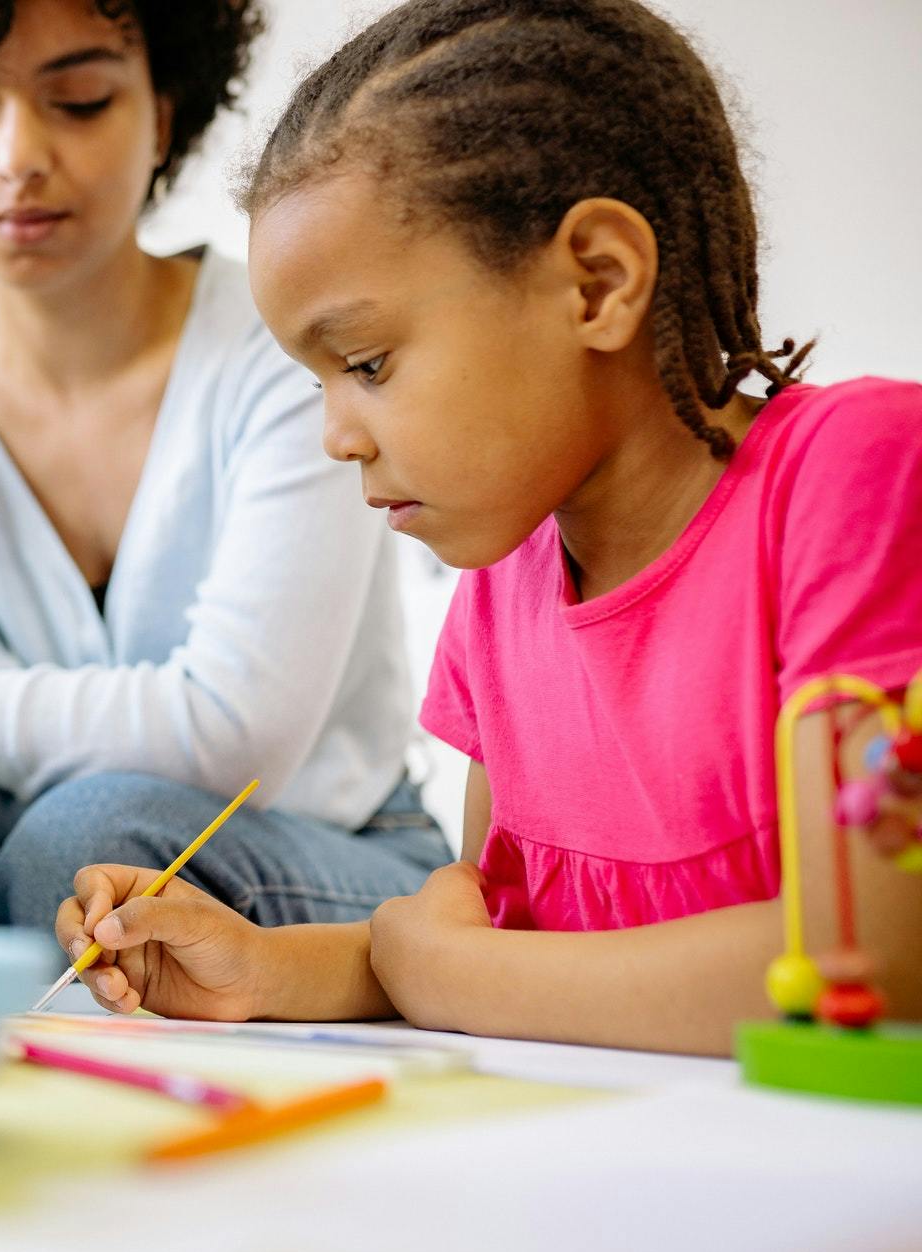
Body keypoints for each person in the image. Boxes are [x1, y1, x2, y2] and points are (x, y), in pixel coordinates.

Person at [55, 0, 922, 1055]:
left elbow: (873, 967)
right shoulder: (506, 588)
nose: (336, 436)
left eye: (366, 364)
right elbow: (495, 941)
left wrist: (454, 970)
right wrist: (260, 965)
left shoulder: (855, 475)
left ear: (596, 280)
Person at [0, 0, 448, 925]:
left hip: (339, 843)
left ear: (162, 112)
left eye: (76, 99)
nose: (17, 155)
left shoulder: (285, 355)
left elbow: (231, 741)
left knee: (87, 840)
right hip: (44, 844)